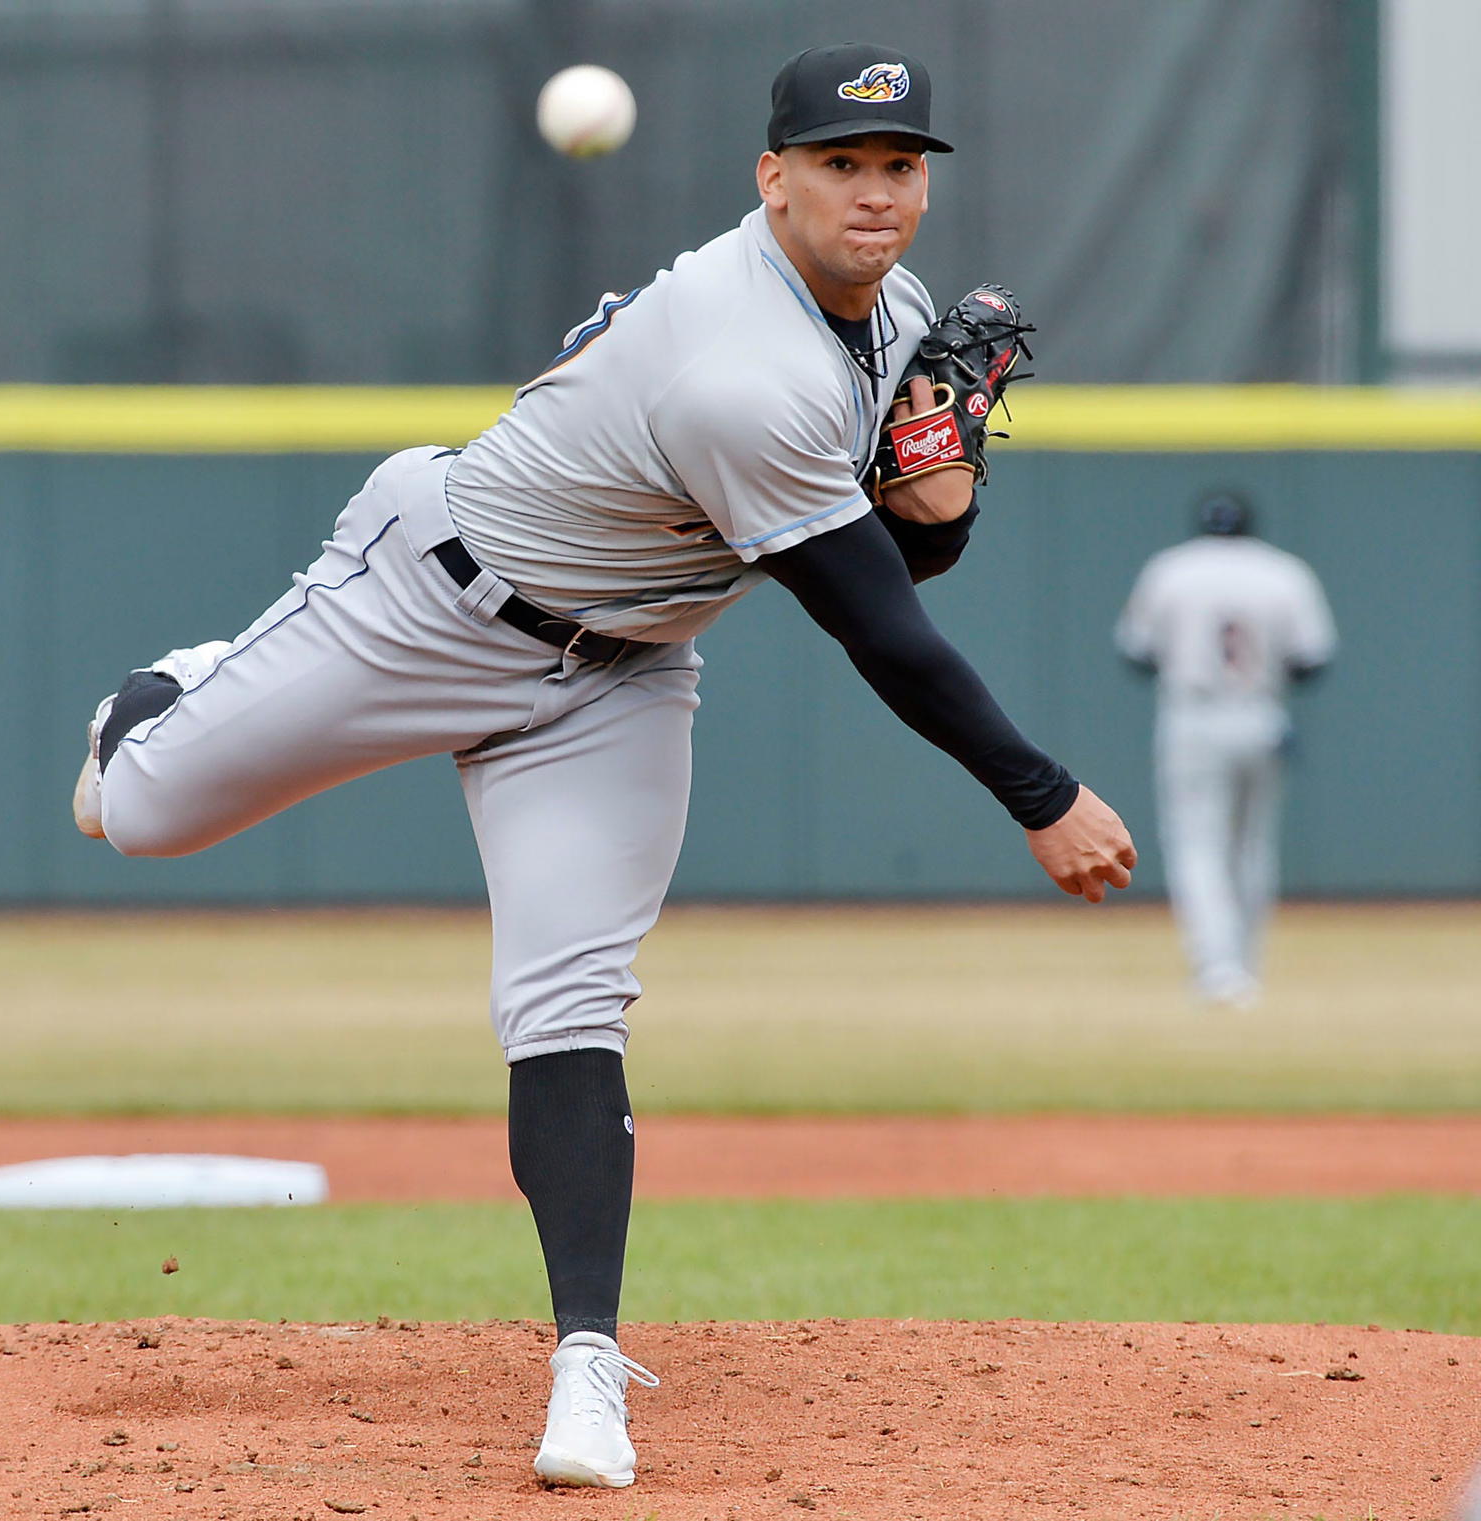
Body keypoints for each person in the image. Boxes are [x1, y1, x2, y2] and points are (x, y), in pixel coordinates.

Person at [72, 42, 1136, 1489]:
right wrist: (1043, 793)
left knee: (570, 1000)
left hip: (617, 676)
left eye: (898, 166)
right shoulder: (738, 366)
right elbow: (880, 629)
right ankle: (177, 687)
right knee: (135, 814)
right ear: (774, 180)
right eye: (840, 165)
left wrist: (936, 469)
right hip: (429, 599)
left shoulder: (884, 316)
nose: (876, 194)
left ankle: (586, 1365)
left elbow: (910, 547)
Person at [1115, 489, 1336, 1007]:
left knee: (1198, 846)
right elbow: (1312, 660)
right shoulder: (1284, 571)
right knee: (1253, 847)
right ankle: (1245, 965)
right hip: (1261, 714)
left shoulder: (1171, 569)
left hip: (1193, 716)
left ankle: (1218, 970)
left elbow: (1136, 651)